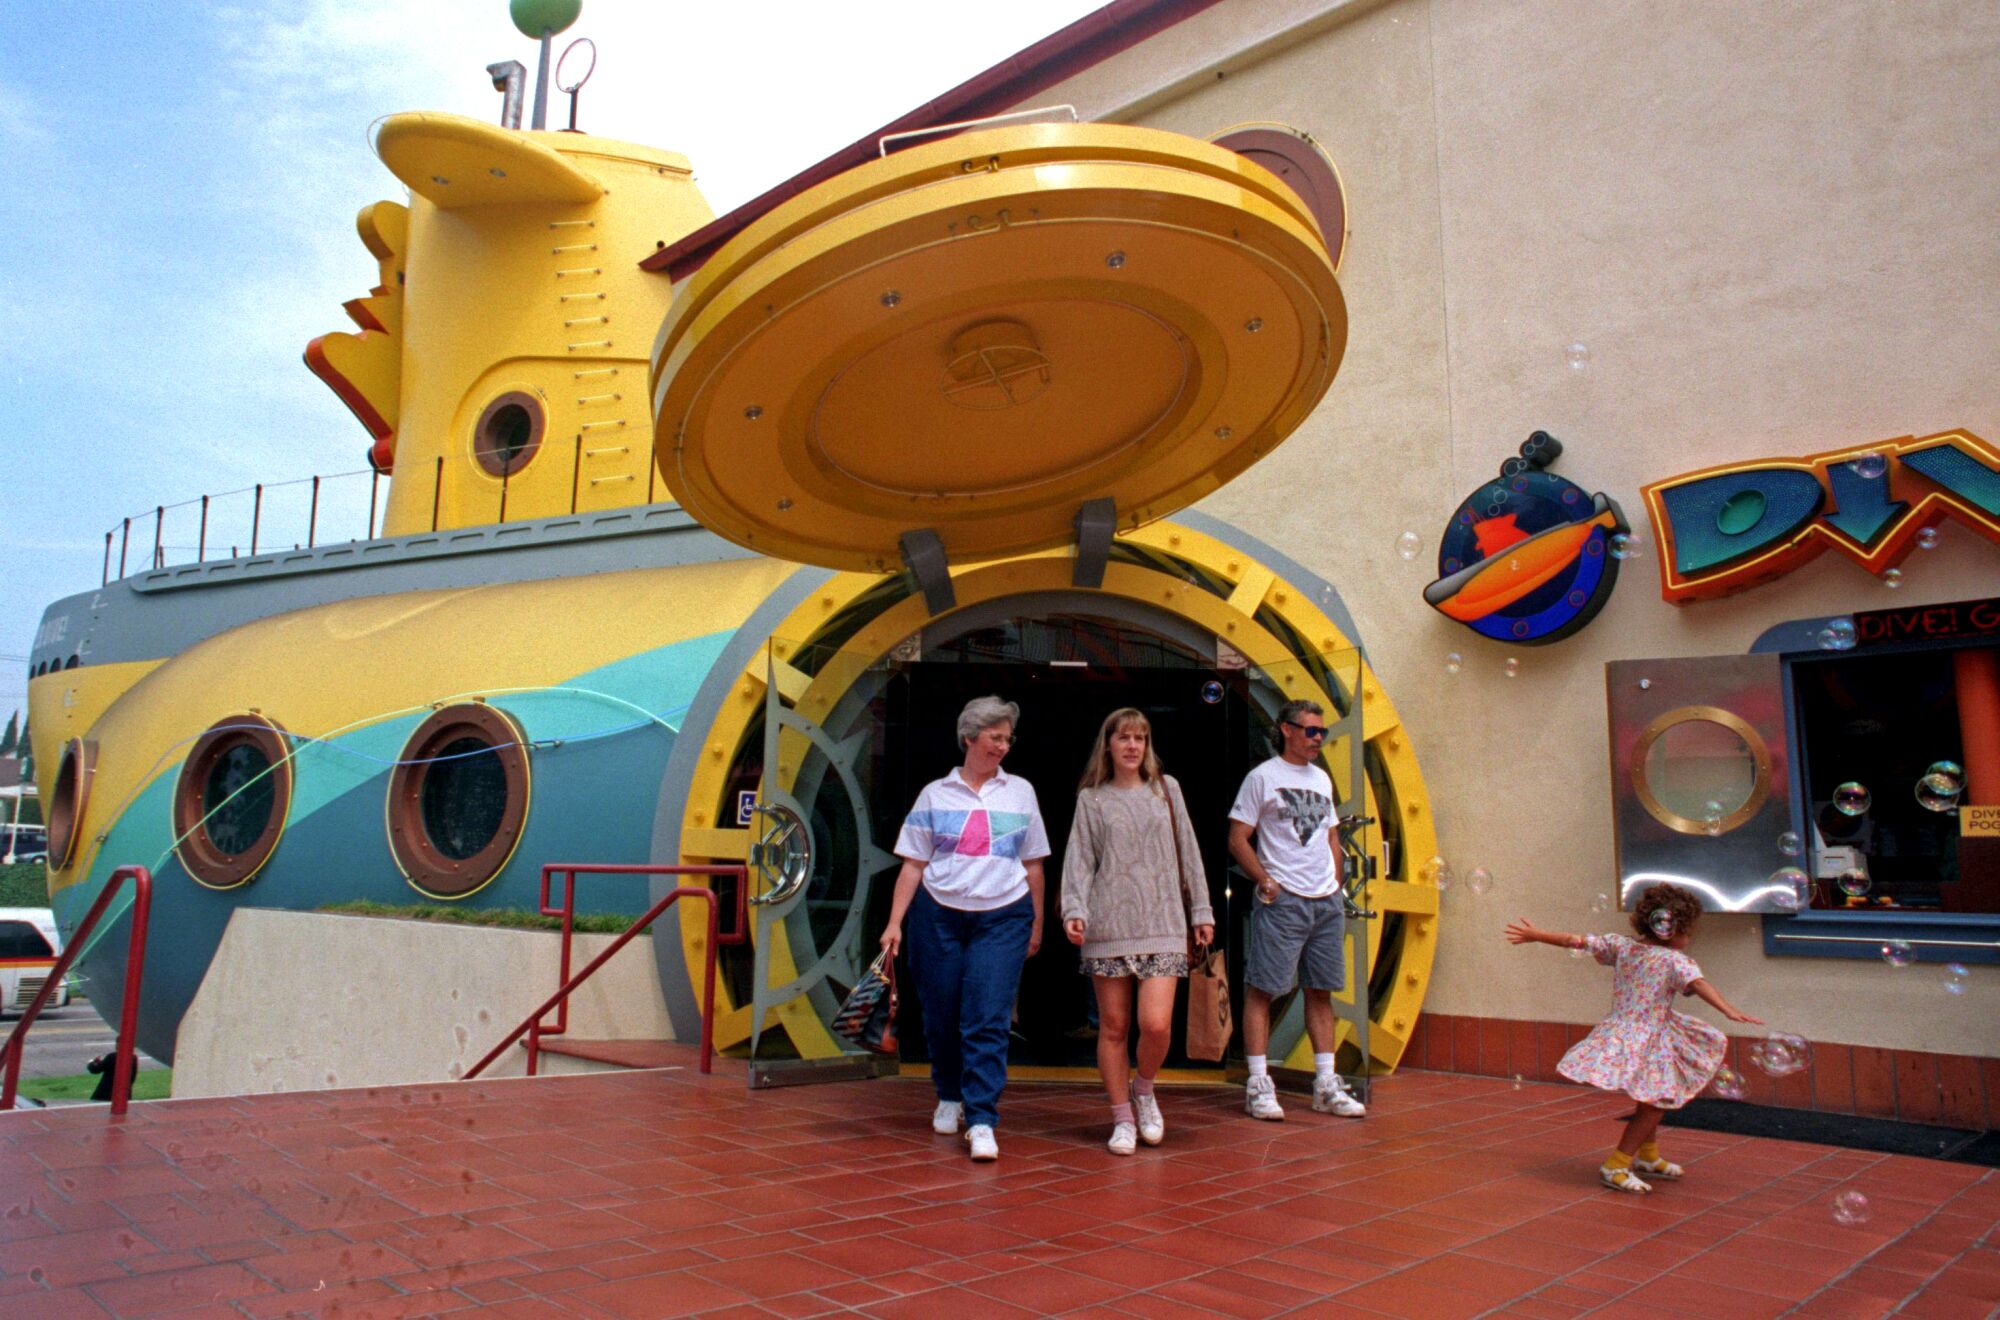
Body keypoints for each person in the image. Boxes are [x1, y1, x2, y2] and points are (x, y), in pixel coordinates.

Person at [1505, 882, 1761, 1194]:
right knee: (1655, 1102)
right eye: (1689, 931)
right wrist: (1728, 1010)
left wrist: (1537, 935)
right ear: (1673, 929)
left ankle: (1648, 1157)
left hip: (1627, 1033)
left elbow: (1577, 941)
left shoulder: (1623, 947)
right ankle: (1616, 1164)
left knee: (1649, 1095)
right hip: (1647, 1037)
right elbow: (1700, 984)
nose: (1690, 938)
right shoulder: (1677, 961)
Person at [880, 695, 1048, 1162]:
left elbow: (1033, 864)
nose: (1003, 746)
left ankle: (981, 1118)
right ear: (969, 737)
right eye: (995, 737)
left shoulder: (1022, 791)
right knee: (940, 1012)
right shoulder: (935, 794)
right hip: (938, 916)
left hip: (1004, 915)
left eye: (1007, 738)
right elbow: (913, 865)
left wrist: (1034, 921)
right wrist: (894, 923)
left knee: (988, 1016)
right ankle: (949, 1094)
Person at [1061, 708, 1216, 1155]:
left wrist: (1201, 911)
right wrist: (1074, 907)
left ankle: (1144, 1090)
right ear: (1107, 744)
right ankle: (1122, 1117)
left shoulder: (1167, 791)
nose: (1133, 746)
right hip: (1108, 924)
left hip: (1164, 922)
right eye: (1124, 737)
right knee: (1113, 1026)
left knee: (1156, 1024)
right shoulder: (1092, 798)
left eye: (1141, 738)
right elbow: (1080, 859)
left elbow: (1189, 850)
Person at [1227, 698, 1365, 1121]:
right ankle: (1258, 1083)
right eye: (1310, 730)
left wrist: (1336, 883)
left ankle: (1326, 1083)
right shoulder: (1262, 777)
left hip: (1324, 900)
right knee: (1264, 988)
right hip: (1284, 900)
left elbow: (1331, 835)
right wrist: (1267, 881)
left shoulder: (1322, 779)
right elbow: (1238, 837)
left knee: (1321, 989)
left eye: (1322, 732)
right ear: (1286, 729)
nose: (1318, 738)